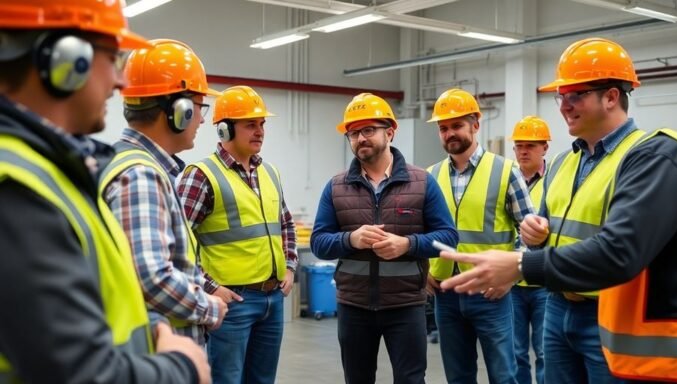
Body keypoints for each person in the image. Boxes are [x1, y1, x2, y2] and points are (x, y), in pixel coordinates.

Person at [439, 37, 677, 383]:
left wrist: (522, 264)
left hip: (611, 313)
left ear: (612, 96)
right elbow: (550, 233)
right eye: (561, 96)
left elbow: (620, 251)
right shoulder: (562, 163)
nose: (564, 106)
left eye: (576, 95)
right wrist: (537, 236)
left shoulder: (651, 159)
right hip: (558, 307)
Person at [0, 0, 210, 382]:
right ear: (66, 58)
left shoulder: (57, 171)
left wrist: (150, 328)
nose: (120, 83)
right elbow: (77, 371)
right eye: (111, 58)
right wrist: (182, 367)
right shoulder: (17, 187)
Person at [310, 92, 458, 384]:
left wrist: (408, 244)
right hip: (354, 307)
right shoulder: (336, 187)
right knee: (358, 379)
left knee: (411, 379)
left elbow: (448, 237)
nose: (360, 138)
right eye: (353, 133)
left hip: (406, 306)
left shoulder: (421, 182)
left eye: (368, 130)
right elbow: (319, 242)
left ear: (390, 132)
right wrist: (351, 239)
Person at [99, 39, 226, 346]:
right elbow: (151, 277)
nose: (202, 118)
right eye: (198, 107)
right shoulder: (141, 176)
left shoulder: (123, 161)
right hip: (159, 352)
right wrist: (209, 307)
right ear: (178, 111)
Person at [177, 85, 297, 384]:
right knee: (226, 380)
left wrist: (291, 267)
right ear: (224, 131)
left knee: (262, 380)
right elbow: (177, 240)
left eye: (262, 124)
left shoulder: (269, 172)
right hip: (232, 302)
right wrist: (209, 286)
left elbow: (286, 224)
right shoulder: (201, 175)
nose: (260, 131)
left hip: (272, 299)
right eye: (250, 125)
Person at [424, 88, 533, 384]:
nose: (450, 134)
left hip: (491, 294)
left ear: (475, 124)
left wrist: (511, 277)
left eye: (457, 125)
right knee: (458, 377)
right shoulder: (430, 176)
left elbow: (531, 234)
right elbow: (421, 231)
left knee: (504, 375)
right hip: (445, 294)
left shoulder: (506, 171)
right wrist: (424, 270)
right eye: (443, 128)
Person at [508, 115, 552, 384]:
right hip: (513, 282)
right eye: (519, 146)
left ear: (545, 147)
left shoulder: (555, 179)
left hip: (545, 282)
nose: (523, 151)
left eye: (531, 146)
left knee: (547, 352)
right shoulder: (506, 178)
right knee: (515, 353)